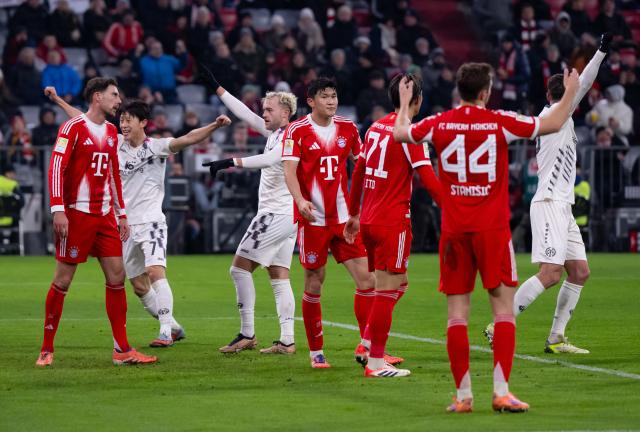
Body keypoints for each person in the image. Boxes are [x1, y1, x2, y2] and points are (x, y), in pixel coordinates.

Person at [393, 63, 580, 412]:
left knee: (456, 316)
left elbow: (401, 134)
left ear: (459, 90)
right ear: (484, 91)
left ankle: (463, 397)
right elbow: (553, 123)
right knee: (503, 311)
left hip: (454, 231)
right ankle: (501, 391)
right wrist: (571, 89)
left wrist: (404, 103)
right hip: (492, 230)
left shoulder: (439, 123)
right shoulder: (500, 121)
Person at [46, 86, 232, 347]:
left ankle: (165, 332)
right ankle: (175, 326)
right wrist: (57, 100)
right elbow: (83, 118)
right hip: (122, 226)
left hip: (151, 221)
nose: (122, 124)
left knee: (155, 272)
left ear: (143, 122)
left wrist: (214, 125)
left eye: (127, 119)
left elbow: (188, 138)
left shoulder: (157, 148)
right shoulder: (115, 143)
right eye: (120, 119)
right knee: (138, 286)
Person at [484, 34, 611, 356]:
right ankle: (498, 324)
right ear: (564, 95)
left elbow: (580, 86)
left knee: (580, 271)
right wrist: (601, 52)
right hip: (550, 203)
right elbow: (583, 83)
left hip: (562, 206)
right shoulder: (557, 113)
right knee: (551, 273)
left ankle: (556, 338)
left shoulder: (555, 116)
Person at [37, 77, 157, 367]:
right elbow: (56, 167)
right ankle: (46, 348)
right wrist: (58, 209)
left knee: (117, 278)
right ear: (96, 97)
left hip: (104, 217)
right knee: (63, 281)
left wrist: (121, 213)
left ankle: (122, 350)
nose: (119, 101)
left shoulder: (113, 133)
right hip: (76, 214)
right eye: (114, 95)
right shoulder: (72, 128)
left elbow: (114, 175)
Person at [344, 73, 441, 378]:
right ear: (419, 100)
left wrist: (353, 213)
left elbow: (358, 170)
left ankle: (367, 343)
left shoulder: (374, 127)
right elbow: (427, 177)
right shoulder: (409, 133)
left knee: (396, 283)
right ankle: (374, 361)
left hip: (369, 220)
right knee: (387, 289)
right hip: (392, 221)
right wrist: (454, 207)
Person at [199, 66, 299, 355]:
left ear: (285, 112)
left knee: (238, 269)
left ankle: (247, 333)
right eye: (264, 109)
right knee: (279, 276)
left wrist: (231, 161)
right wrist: (218, 88)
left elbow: (271, 160)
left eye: (269, 109)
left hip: (275, 214)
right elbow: (244, 112)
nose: (263, 113)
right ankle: (287, 340)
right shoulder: (278, 131)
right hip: (286, 214)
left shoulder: (290, 135)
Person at [282, 77, 375, 369]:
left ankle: (370, 346)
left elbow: (362, 167)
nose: (332, 101)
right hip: (313, 221)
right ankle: (316, 352)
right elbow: (289, 171)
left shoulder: (348, 127)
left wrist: (362, 208)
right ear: (311, 101)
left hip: (345, 220)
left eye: (334, 96)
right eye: (325, 97)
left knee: (367, 280)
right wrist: (300, 201)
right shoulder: (296, 131)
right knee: (314, 281)